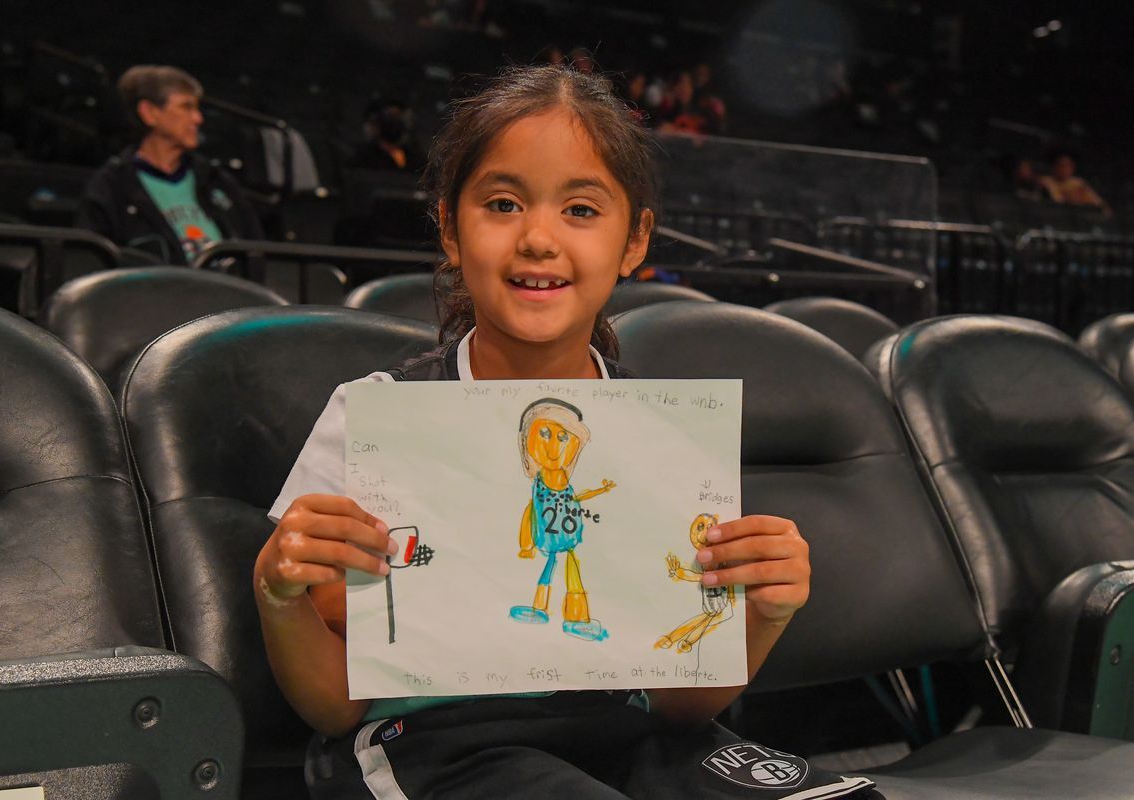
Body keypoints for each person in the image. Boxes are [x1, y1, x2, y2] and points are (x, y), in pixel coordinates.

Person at [255, 65, 876, 799]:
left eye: (581, 210)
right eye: (504, 203)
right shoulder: (374, 417)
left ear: (635, 240)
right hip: (437, 747)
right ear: (451, 229)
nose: (539, 239)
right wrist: (277, 592)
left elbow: (683, 704)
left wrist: (766, 612)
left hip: (632, 736)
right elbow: (334, 706)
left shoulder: (666, 440)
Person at [76, 65, 263, 265]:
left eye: (197, 108)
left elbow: (254, 249)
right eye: (186, 107)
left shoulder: (214, 180)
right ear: (149, 113)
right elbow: (91, 264)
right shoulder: (112, 186)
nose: (198, 119)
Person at [1038, 151, 1109, 212]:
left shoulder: (1078, 183)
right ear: (1054, 167)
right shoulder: (1046, 181)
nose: (1064, 169)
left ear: (1072, 168)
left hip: (1076, 217)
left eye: (1068, 166)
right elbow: (1057, 202)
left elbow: (1098, 203)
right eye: (1061, 166)